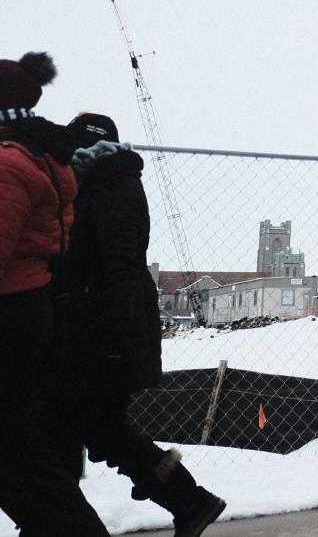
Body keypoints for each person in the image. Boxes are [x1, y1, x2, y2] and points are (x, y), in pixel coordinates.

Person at [44, 112, 226, 537]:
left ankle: (189, 501)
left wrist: (116, 337)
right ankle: (189, 501)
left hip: (101, 335)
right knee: (87, 430)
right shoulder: (95, 186)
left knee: (85, 430)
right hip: (90, 332)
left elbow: (121, 269)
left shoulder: (110, 188)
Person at [0, 52, 110, 536]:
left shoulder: (10, 164)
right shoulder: (38, 155)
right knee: (19, 448)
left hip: (9, 314)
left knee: (16, 452)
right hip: (27, 311)